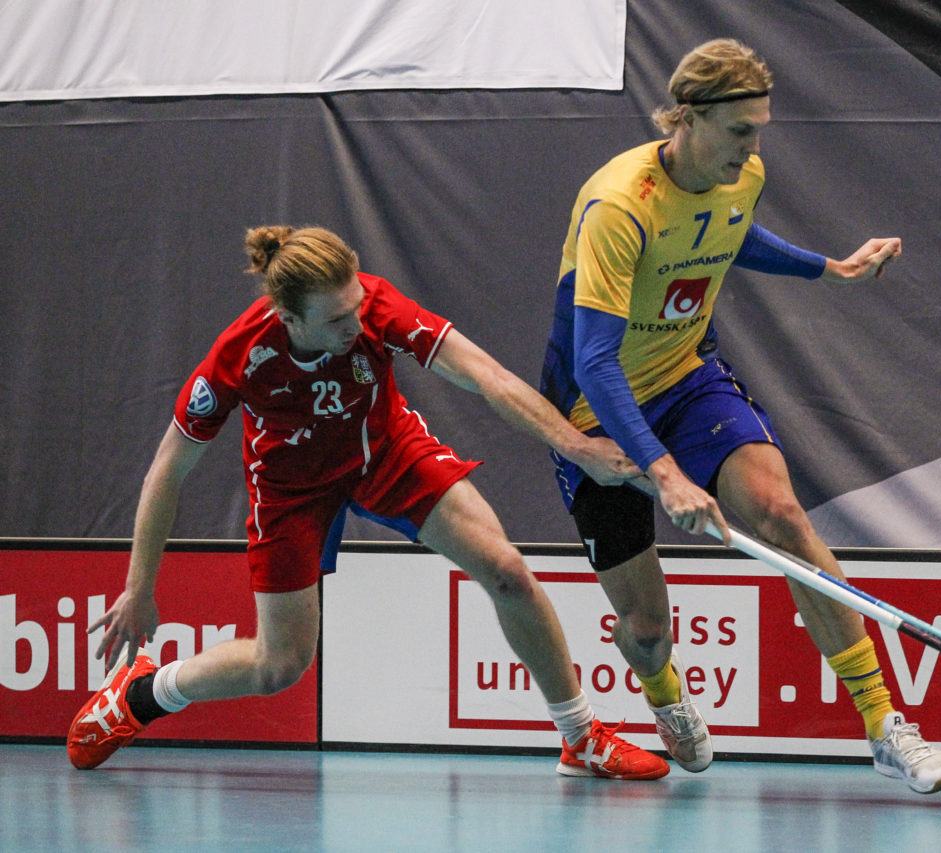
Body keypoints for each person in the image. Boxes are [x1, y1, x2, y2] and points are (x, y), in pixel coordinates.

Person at [67, 225, 669, 781]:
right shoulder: (241, 354)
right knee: (280, 667)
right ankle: (141, 694)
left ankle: (579, 736)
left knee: (508, 571)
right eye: (336, 320)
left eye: (357, 305)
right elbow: (169, 467)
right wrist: (140, 588)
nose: (356, 324)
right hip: (290, 488)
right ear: (287, 317)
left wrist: (578, 446)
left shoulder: (374, 307)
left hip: (385, 451)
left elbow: (487, 376)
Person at [539, 38, 941, 792]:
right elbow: (596, 362)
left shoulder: (744, 174)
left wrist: (829, 267)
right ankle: (665, 695)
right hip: (594, 414)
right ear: (688, 119)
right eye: (740, 130)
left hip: (689, 376)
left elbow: (731, 236)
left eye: (761, 128)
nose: (754, 146)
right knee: (644, 630)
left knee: (782, 514)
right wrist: (664, 473)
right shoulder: (619, 206)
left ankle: (885, 723)